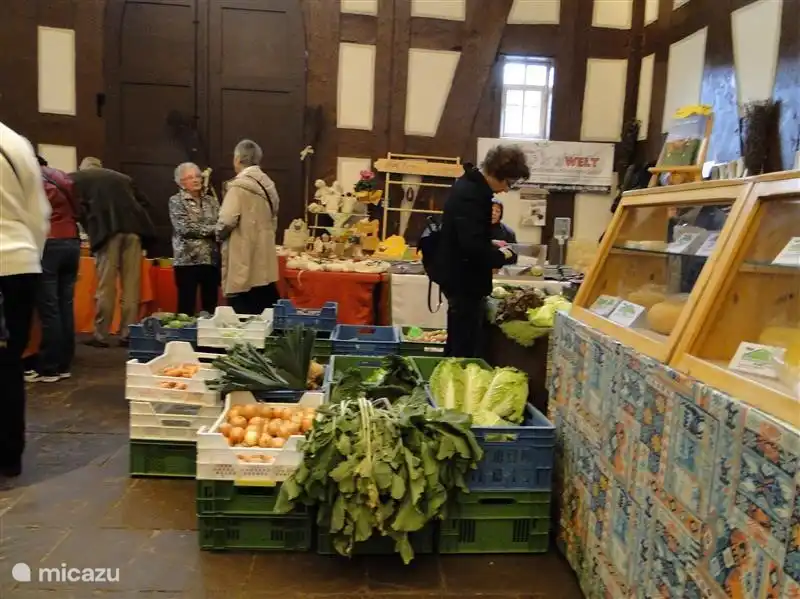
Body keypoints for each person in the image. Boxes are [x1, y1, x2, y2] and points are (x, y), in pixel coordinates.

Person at [434, 145, 530, 358]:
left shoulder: (470, 186)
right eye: (508, 182)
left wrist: (493, 244)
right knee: (463, 347)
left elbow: (471, 236)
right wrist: (506, 256)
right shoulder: (472, 194)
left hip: (460, 278)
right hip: (464, 280)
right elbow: (472, 247)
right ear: (497, 173)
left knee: (458, 341)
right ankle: (454, 386)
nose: (506, 189)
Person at [0, 122, 51, 477]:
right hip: (19, 263)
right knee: (9, 362)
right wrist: (28, 253)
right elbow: (38, 214)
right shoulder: (15, 142)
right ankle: (9, 456)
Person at [69, 157, 155, 347]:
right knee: (131, 286)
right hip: (134, 232)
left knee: (106, 287)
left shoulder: (78, 178)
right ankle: (128, 333)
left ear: (82, 168)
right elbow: (145, 203)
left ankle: (101, 334)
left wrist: (89, 221)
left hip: (107, 234)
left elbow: (73, 206)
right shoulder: (123, 178)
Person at [25, 155, 81, 383]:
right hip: (72, 241)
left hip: (48, 242)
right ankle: (65, 364)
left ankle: (49, 367)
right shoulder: (62, 176)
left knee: (49, 309)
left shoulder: (31, 179)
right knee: (65, 305)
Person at [217, 139, 281, 314]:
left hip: (242, 254)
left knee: (243, 313)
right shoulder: (269, 185)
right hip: (264, 253)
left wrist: (218, 234)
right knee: (264, 306)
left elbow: (227, 219)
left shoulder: (237, 187)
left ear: (237, 159)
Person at [169, 162, 220, 315]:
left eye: (197, 176)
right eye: (190, 177)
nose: (196, 180)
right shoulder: (176, 201)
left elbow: (221, 223)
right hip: (187, 261)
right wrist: (213, 230)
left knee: (210, 307)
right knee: (186, 308)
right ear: (181, 182)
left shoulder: (211, 201)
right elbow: (184, 228)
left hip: (210, 260)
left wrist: (212, 229)